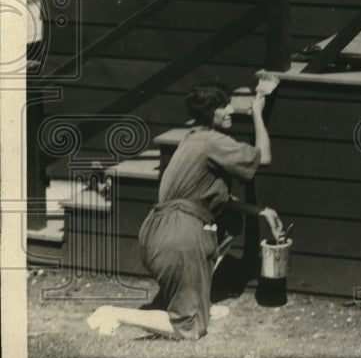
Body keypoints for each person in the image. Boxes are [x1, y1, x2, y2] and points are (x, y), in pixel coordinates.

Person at [86, 75, 284, 340]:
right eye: (224, 106)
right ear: (211, 113)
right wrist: (258, 113)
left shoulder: (193, 139)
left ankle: (201, 301)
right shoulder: (212, 141)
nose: (231, 111)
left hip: (160, 232)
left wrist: (260, 211)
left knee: (228, 222)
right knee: (190, 329)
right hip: (179, 236)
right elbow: (265, 157)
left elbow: (216, 200)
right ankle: (113, 312)